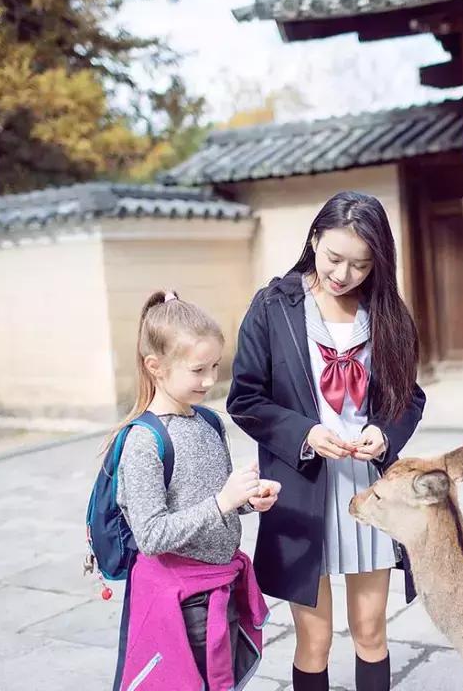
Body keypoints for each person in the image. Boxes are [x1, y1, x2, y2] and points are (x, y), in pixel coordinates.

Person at [228, 192, 426, 691]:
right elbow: (245, 398)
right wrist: (306, 433)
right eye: (334, 258)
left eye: (360, 265)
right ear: (314, 238)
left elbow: (410, 396)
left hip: (368, 488)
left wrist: (383, 434)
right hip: (301, 488)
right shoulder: (274, 306)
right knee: (313, 642)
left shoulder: (387, 313)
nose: (343, 275)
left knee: (371, 631)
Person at [111, 291, 279, 691]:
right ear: (156, 367)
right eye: (198, 369)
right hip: (183, 602)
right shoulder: (143, 441)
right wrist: (223, 501)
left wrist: (247, 500)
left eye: (216, 366)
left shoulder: (209, 422)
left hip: (223, 586)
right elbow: (151, 536)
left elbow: (215, 502)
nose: (209, 380)